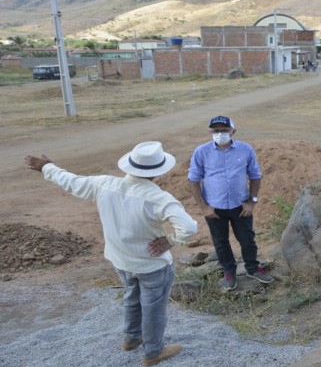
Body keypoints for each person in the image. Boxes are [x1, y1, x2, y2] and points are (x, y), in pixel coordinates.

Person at [24, 141, 197, 366]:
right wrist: (170, 241)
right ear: (160, 170)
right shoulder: (160, 198)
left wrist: (47, 167)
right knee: (153, 307)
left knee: (131, 297)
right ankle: (153, 351)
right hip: (152, 264)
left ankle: (131, 338)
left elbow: (72, 182)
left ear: (129, 165)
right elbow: (190, 228)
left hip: (120, 259)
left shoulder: (105, 184)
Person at [188, 115, 274, 291]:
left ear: (233, 131)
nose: (220, 133)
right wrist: (204, 207)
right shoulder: (201, 152)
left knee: (247, 239)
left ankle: (252, 267)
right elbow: (193, 180)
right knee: (220, 242)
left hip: (240, 206)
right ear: (210, 132)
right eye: (216, 130)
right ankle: (229, 270)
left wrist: (252, 202)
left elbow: (255, 176)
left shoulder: (246, 150)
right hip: (214, 208)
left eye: (224, 130)